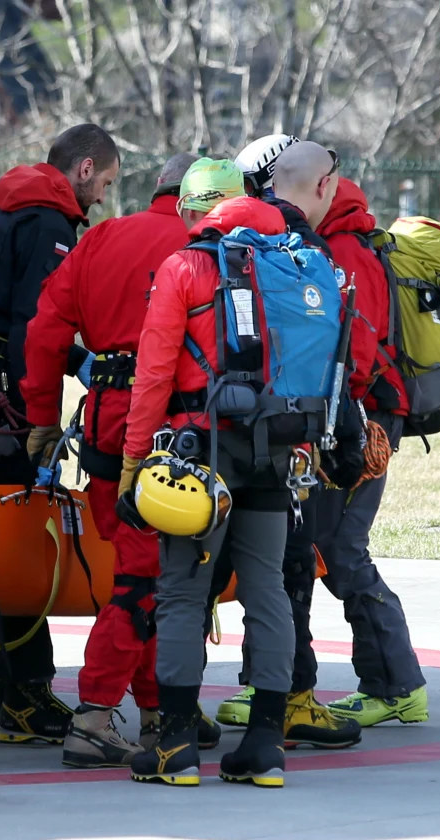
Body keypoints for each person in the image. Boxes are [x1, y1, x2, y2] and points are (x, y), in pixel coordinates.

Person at [21, 153, 223, 768]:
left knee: (143, 572)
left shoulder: (103, 237)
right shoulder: (209, 249)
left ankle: (160, 705)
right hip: (173, 428)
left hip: (106, 423)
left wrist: (40, 419)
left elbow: (44, 331)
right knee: (145, 581)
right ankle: (94, 715)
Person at [122, 159, 309, 788]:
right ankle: (265, 747)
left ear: (191, 211)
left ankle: (175, 748)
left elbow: (152, 377)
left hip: (202, 453)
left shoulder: (184, 267)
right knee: (267, 589)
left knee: (180, 593)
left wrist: (132, 464)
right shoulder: (292, 259)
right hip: (274, 450)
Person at [0, 124, 120, 746]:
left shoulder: (3, 206)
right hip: (1, 398)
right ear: (86, 167)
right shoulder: (49, 222)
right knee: (18, 544)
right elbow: (32, 327)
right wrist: (41, 414)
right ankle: (24, 695)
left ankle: (14, 696)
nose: (101, 201)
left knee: (3, 537)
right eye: (105, 185)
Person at [212, 140, 364, 750]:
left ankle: (166, 717)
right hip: (287, 444)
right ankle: (285, 708)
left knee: (194, 581)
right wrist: (346, 444)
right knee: (283, 574)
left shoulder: (219, 242)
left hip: (213, 436)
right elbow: (333, 363)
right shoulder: (308, 253)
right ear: (324, 187)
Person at [314, 176, 429, 725]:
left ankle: (396, 685)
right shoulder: (348, 243)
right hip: (363, 414)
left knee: (341, 548)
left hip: (363, 418)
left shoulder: (341, 251)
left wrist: (344, 422)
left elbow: (355, 350)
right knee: (319, 544)